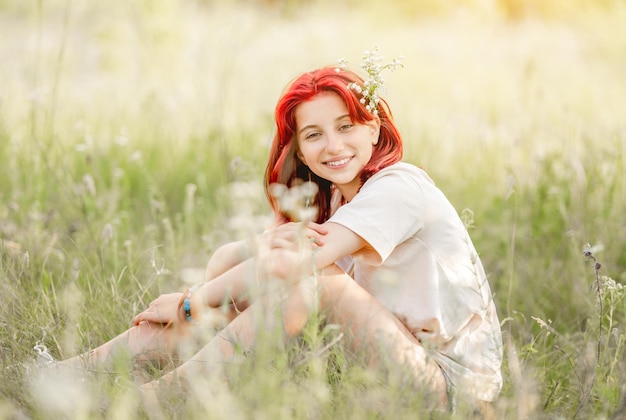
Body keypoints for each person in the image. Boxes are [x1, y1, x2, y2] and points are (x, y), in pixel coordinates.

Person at [57, 56, 503, 413]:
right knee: (250, 294)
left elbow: (295, 271)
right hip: (387, 361)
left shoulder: (400, 186)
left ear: (374, 127)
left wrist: (192, 301)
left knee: (310, 285)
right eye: (314, 135)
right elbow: (233, 268)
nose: (332, 145)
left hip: (450, 392)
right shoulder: (337, 205)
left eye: (345, 126)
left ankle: (153, 402)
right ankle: (75, 371)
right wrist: (245, 257)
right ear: (300, 152)